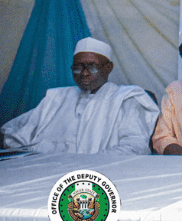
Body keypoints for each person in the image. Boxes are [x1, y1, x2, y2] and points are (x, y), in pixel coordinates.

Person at [1, 37, 159, 154]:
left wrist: (88, 164)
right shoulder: (57, 98)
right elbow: (18, 132)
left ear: (108, 68)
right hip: (46, 169)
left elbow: (135, 146)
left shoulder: (125, 99)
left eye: (92, 67)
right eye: (78, 67)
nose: (84, 73)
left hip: (100, 173)